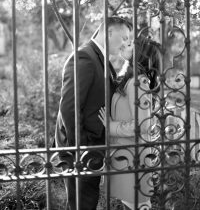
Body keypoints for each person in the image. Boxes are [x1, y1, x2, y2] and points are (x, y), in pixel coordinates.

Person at [54, 16, 132, 210]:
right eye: (124, 38)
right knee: (83, 204)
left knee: (88, 202)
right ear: (109, 32)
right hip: (82, 150)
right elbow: (69, 108)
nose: (126, 43)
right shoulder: (84, 57)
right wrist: (83, 149)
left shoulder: (100, 57)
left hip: (93, 147)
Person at [98, 36, 160, 210]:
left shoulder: (138, 83)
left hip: (133, 155)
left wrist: (111, 127)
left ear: (138, 54)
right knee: (132, 203)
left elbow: (142, 126)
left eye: (131, 44)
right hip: (125, 153)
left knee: (139, 204)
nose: (125, 44)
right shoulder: (130, 78)